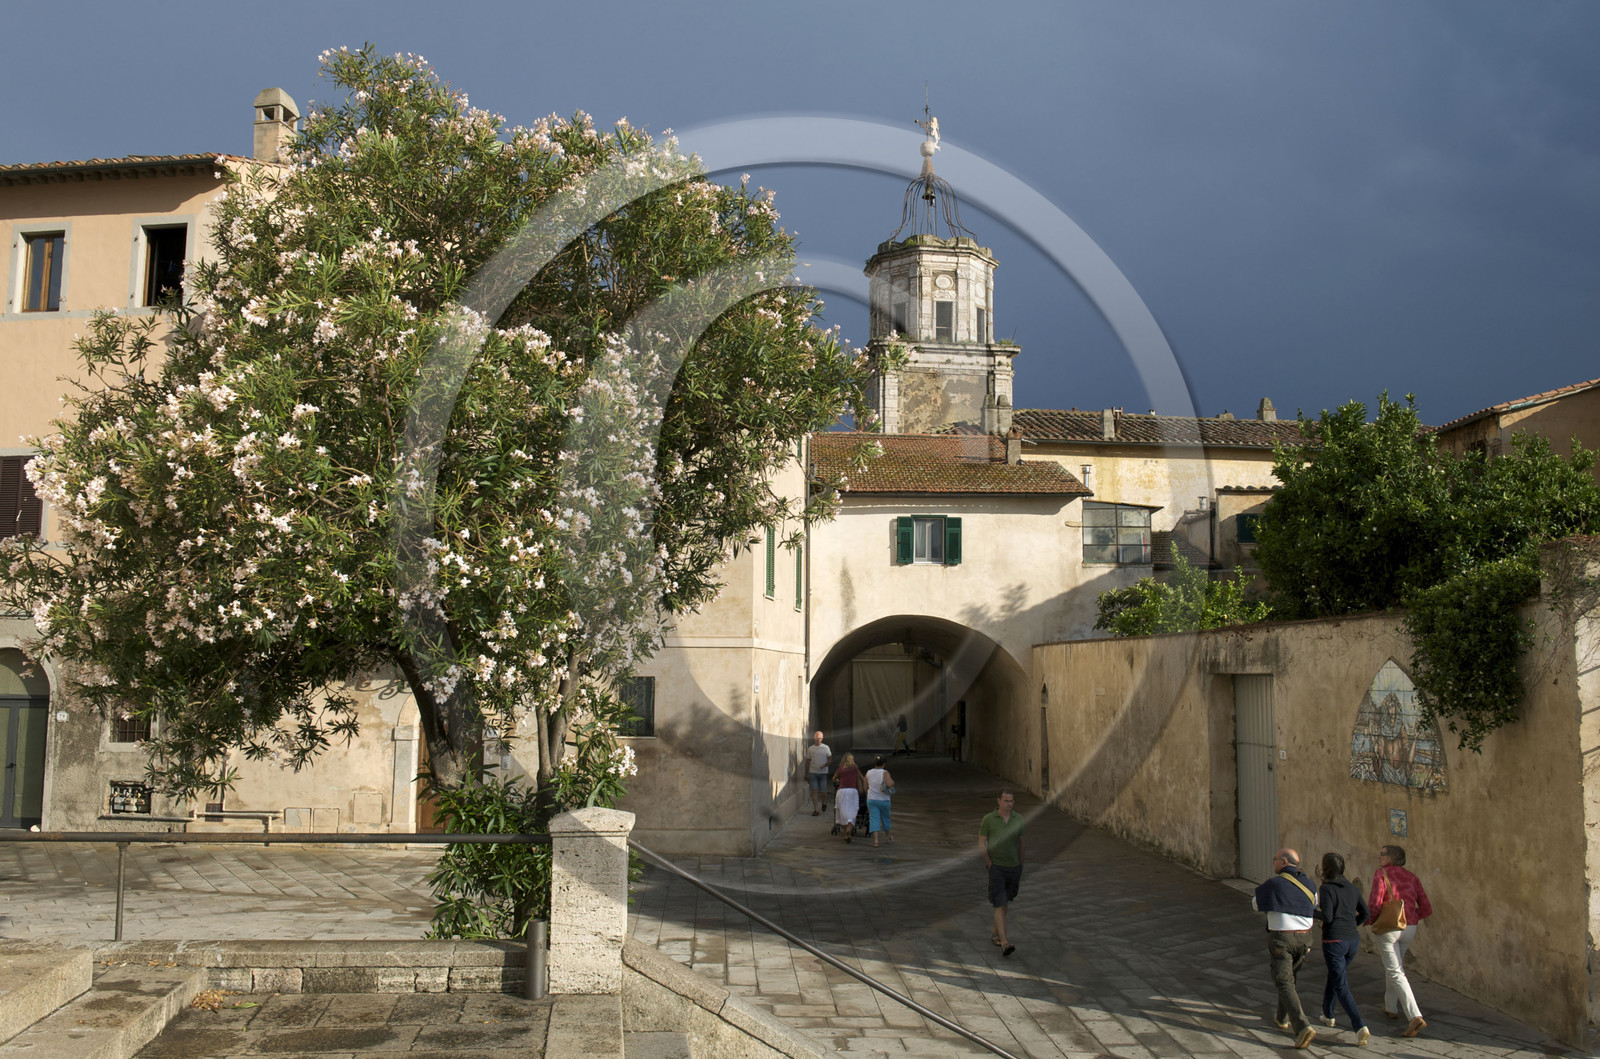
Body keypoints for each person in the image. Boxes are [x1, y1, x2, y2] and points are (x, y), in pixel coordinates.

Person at [1252, 848, 1319, 1049]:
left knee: (1283, 981)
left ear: (1283, 862)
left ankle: (1302, 1026)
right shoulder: (1309, 883)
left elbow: (1256, 905)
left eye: (1274, 860)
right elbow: (1315, 904)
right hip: (1306, 938)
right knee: (1290, 979)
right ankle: (1281, 1018)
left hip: (1283, 939)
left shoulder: (1274, 884)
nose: (1273, 863)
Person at [1367, 844, 1432, 1038]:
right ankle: (1390, 1006)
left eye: (1383, 854)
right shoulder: (1413, 877)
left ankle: (1414, 1016)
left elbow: (1375, 903)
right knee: (1395, 967)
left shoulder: (1381, 874)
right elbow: (1427, 908)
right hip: (1409, 928)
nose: (1379, 856)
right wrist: (1411, 916)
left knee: (1395, 971)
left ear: (1392, 858)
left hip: (1389, 927)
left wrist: (1369, 920)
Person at [1314, 852, 1370, 1046]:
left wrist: (1309, 911)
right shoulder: (1352, 888)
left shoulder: (1327, 888)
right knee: (1335, 976)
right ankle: (1328, 1014)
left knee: (1341, 983)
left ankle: (1359, 1025)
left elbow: (1327, 916)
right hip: (1352, 941)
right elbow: (1366, 913)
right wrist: (1351, 924)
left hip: (1334, 941)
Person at [978, 789, 1025, 957]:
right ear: (999, 801)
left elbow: (1021, 843)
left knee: (1005, 904)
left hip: (1013, 867)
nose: (1009, 804)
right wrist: (989, 863)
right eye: (1006, 801)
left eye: (1011, 801)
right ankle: (1005, 942)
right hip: (997, 867)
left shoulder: (1018, 819)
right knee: (1000, 903)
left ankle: (995, 934)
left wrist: (1020, 864)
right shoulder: (989, 819)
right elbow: (982, 841)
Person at [832, 752, 865, 842]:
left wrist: (839, 779)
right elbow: (862, 778)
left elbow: (834, 778)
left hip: (841, 792)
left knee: (841, 812)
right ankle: (849, 829)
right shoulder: (855, 768)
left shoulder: (840, 769)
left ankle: (845, 834)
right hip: (852, 792)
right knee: (852, 811)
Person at [865, 755, 894, 846]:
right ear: (884, 764)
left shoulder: (868, 772)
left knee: (874, 819)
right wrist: (892, 782)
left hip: (872, 799)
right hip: (884, 800)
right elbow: (889, 784)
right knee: (886, 818)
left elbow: (865, 786)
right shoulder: (885, 773)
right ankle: (887, 836)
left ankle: (876, 841)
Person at [805, 731, 831, 816]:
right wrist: (806, 773)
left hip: (823, 773)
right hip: (813, 773)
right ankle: (816, 810)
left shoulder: (826, 748)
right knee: (814, 791)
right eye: (817, 738)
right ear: (814, 738)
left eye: (820, 738)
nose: (818, 740)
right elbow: (808, 761)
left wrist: (825, 764)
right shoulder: (810, 749)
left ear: (822, 738)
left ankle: (824, 802)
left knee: (823, 792)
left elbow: (830, 759)